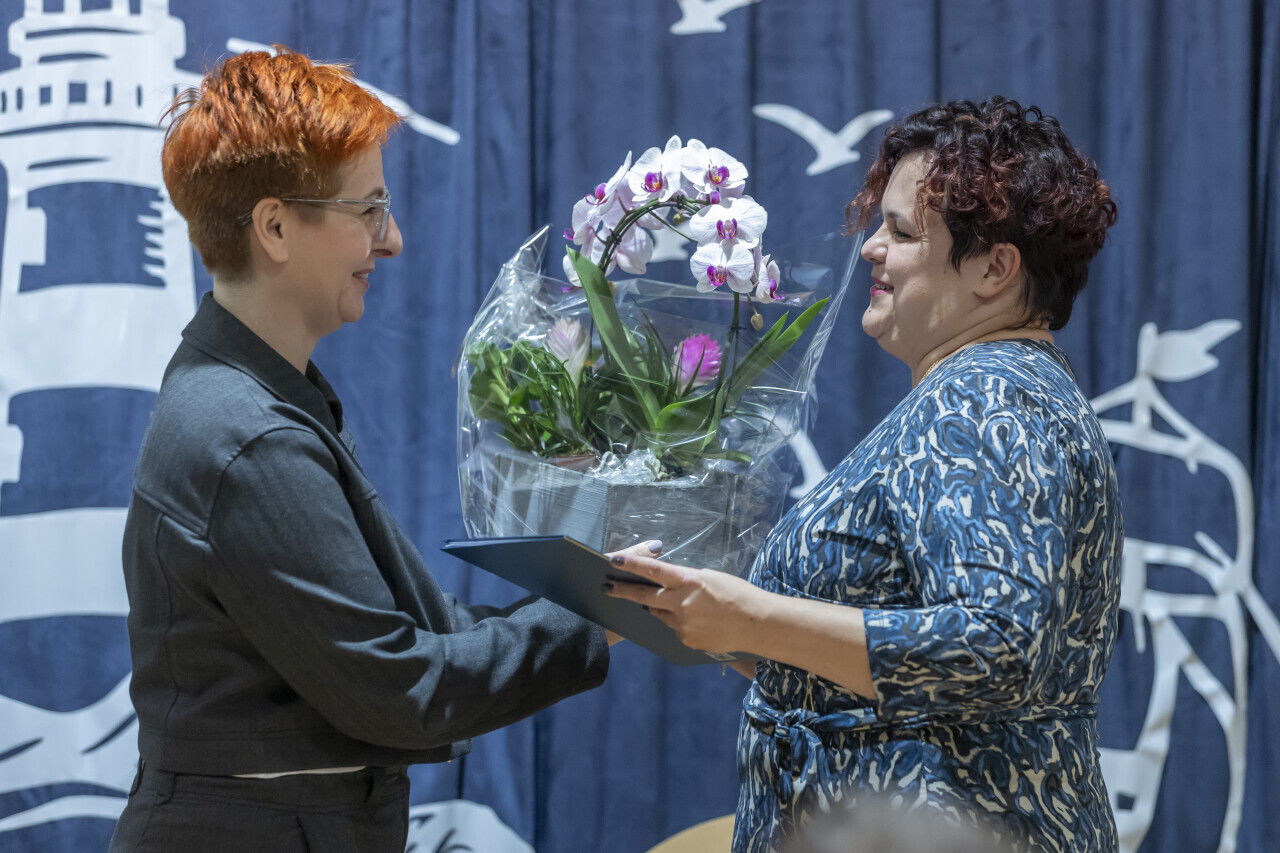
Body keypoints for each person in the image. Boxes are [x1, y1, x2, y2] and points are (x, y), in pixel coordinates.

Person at [109, 47, 632, 853]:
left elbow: (411, 632)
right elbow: (402, 686)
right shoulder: (249, 438)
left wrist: (595, 595)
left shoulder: (260, 399)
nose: (391, 242)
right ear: (275, 227)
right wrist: (602, 615)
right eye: (369, 210)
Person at [606, 96, 1122, 853]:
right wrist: (715, 623)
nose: (872, 248)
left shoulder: (986, 394)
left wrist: (752, 619)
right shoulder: (1010, 386)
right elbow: (920, 663)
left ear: (994, 268)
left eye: (903, 232)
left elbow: (996, 643)